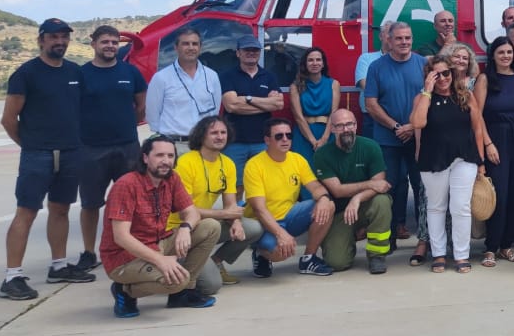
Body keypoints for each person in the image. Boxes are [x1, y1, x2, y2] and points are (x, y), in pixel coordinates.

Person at [0, 18, 96, 300]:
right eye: (54, 37)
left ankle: (58, 266)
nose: (60, 42)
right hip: (37, 155)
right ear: (41, 40)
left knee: (61, 210)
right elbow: (8, 119)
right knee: (26, 211)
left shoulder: (76, 72)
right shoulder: (26, 74)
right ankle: (12, 276)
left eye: (64, 37)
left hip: (70, 153)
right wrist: (31, 146)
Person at [103, 135, 220, 318]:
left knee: (210, 227)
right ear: (145, 158)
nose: (166, 161)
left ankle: (183, 294)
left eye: (170, 156)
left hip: (159, 242)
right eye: (159, 156)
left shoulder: (171, 178)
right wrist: (161, 261)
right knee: (177, 280)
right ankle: (124, 290)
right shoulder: (126, 185)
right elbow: (121, 237)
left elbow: (192, 212)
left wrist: (185, 229)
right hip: (125, 258)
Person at [74, 25, 147, 273]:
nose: (110, 46)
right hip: (91, 149)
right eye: (105, 42)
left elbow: (140, 107)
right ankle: (88, 251)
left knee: (133, 201)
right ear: (93, 44)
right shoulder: (81, 74)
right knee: (90, 203)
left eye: (114, 42)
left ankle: (133, 247)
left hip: (127, 146)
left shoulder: (131, 72)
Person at [411, 56, 493, 274]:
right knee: (436, 207)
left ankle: (461, 255)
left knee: (461, 207)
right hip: (433, 159)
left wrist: (481, 161)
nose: (442, 78)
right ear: (429, 76)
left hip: (464, 158)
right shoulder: (422, 98)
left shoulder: (466, 96)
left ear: (453, 73)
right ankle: (438, 254)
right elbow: (417, 123)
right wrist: (427, 91)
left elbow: (477, 128)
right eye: (436, 74)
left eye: (446, 73)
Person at [171, 116, 263, 293]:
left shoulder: (227, 163)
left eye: (223, 132)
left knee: (253, 228)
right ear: (201, 136)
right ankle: (181, 262)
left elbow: (231, 204)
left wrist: (236, 223)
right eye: (213, 133)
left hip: (206, 227)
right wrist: (226, 215)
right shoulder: (186, 162)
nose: (220, 136)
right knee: (211, 286)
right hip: (179, 230)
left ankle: (216, 263)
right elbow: (186, 212)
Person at [363, 22, 429, 255]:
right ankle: (386, 241)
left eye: (408, 38)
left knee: (423, 189)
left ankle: (425, 240)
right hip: (387, 139)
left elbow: (431, 99)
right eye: (399, 38)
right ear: (389, 40)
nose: (404, 42)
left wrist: (412, 126)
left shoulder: (423, 64)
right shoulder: (377, 67)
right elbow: (371, 104)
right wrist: (396, 126)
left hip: (419, 138)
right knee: (387, 190)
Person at [244, 119, 338, 278]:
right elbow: (259, 210)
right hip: (264, 224)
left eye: (288, 135)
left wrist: (323, 199)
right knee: (281, 253)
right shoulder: (254, 165)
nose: (285, 139)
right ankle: (261, 253)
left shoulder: (297, 159)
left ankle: (308, 259)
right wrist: (281, 234)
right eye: (279, 136)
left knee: (328, 204)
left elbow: (315, 187)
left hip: (290, 215)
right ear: (267, 140)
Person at [474, 37, 514, 265]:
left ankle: (506, 246)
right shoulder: (485, 79)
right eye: (501, 52)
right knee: (497, 194)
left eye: (509, 52)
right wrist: (488, 144)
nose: (506, 56)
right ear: (493, 55)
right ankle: (490, 247)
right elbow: (477, 115)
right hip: (496, 138)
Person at [313, 109, 394, 274]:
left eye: (349, 124)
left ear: (356, 125)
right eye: (340, 126)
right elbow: (337, 191)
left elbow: (381, 185)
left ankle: (377, 255)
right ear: (332, 129)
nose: (345, 129)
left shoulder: (371, 147)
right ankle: (349, 237)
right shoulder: (322, 154)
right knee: (337, 263)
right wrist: (369, 185)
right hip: (339, 213)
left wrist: (357, 199)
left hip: (366, 205)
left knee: (382, 200)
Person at [219, 35, 282, 194]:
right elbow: (231, 105)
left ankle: (260, 217)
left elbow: (278, 104)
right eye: (247, 50)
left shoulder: (269, 76)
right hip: (235, 141)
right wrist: (266, 104)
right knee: (235, 186)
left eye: (255, 50)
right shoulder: (227, 76)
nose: (251, 53)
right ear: (238, 53)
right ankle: (234, 218)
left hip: (263, 141)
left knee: (263, 184)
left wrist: (247, 99)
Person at [145, 27, 222, 152]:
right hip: (174, 146)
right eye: (185, 44)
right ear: (176, 48)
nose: (191, 48)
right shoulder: (161, 78)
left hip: (204, 145)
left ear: (200, 47)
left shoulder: (212, 76)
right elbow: (152, 115)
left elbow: (215, 110)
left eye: (194, 44)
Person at [290, 47, 339, 157]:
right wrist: (313, 141)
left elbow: (334, 113)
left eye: (318, 59)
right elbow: (298, 117)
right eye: (310, 60)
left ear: (323, 64)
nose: (314, 63)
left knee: (327, 171)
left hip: (327, 132)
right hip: (304, 135)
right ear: (305, 64)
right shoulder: (295, 86)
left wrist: (324, 139)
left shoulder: (334, 84)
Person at [355, 22, 392, 133]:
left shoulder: (406, 61)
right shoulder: (366, 58)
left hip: (398, 116)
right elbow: (365, 85)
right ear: (380, 36)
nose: (392, 36)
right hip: (372, 117)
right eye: (389, 33)